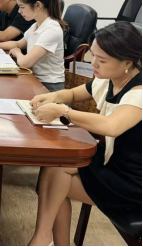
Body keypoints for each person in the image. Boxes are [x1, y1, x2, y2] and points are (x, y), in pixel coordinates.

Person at [28, 22, 142, 247]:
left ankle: (42, 238)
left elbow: (112, 126)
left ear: (127, 62)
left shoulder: (138, 93)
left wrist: (63, 112)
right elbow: (73, 94)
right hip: (113, 161)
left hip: (132, 181)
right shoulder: (109, 80)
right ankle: (44, 238)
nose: (93, 62)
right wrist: (52, 97)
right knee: (57, 163)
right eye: (93, 54)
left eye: (102, 59)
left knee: (55, 183)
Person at [0, 0, 66, 92]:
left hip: (49, 86)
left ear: (37, 5)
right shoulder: (36, 25)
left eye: (22, 7)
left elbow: (25, 63)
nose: (19, 11)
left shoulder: (51, 29)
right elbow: (18, 44)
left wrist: (17, 52)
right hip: (34, 78)